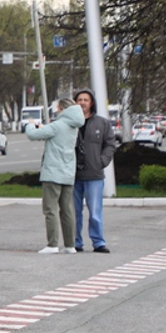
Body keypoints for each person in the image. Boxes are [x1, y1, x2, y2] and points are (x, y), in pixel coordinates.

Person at [27, 98, 84, 254]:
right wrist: (43, 127)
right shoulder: (73, 126)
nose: (56, 111)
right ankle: (70, 245)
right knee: (67, 209)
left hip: (53, 173)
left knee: (50, 209)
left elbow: (32, 135)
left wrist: (30, 124)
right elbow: (53, 131)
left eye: (58, 108)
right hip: (68, 172)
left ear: (63, 109)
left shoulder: (57, 125)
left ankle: (52, 245)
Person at [72, 88, 117, 253]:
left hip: (94, 174)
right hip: (73, 175)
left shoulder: (102, 123)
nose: (82, 103)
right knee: (74, 211)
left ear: (92, 103)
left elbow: (110, 144)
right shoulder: (70, 122)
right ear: (74, 103)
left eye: (86, 100)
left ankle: (98, 242)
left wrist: (102, 161)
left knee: (95, 211)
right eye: (79, 100)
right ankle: (75, 242)